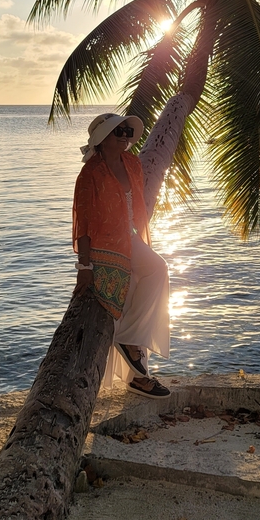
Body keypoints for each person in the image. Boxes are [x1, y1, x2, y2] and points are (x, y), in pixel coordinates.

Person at [72, 112, 171, 398]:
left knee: (154, 273)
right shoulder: (90, 173)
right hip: (104, 245)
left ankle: (134, 359)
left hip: (127, 238)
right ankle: (138, 376)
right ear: (102, 139)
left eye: (129, 132)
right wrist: (85, 266)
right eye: (120, 133)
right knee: (133, 290)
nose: (126, 138)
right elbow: (84, 223)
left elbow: (136, 205)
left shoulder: (132, 163)